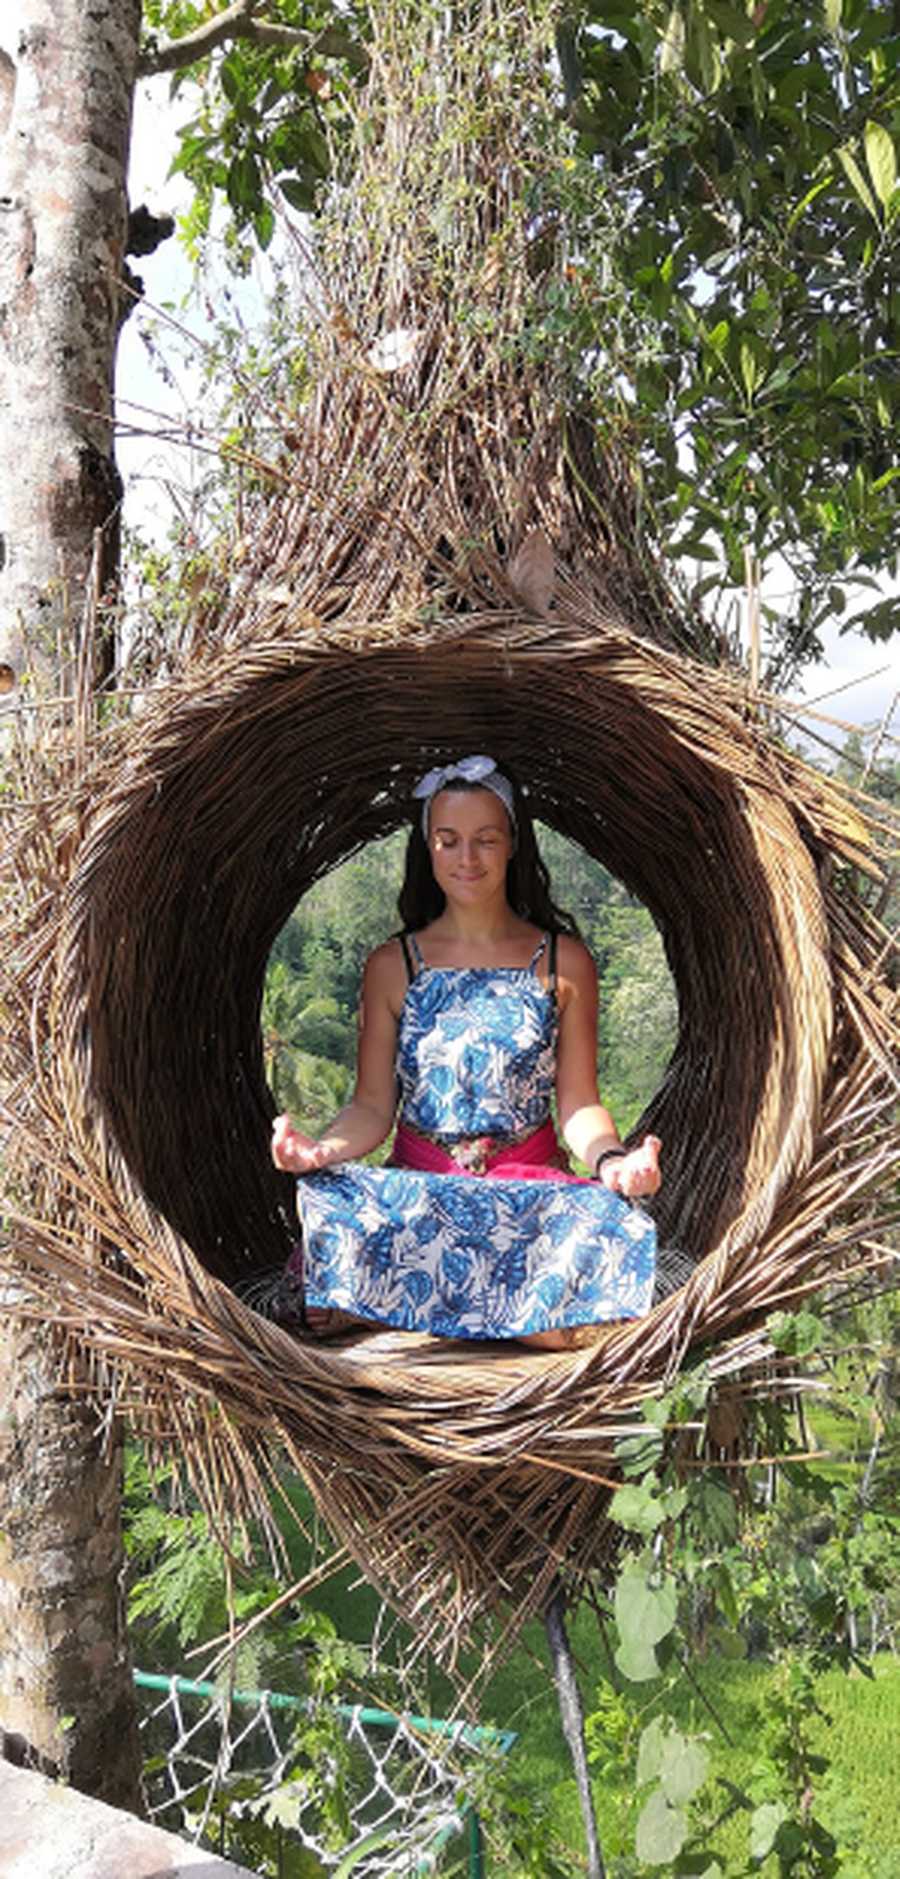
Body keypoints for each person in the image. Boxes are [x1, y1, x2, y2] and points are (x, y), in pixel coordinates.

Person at [271, 755, 662, 1349]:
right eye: (449, 841)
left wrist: (612, 1163)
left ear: (511, 847)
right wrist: (319, 1150)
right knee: (334, 1204)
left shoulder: (565, 962)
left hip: (525, 1193)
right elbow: (372, 1108)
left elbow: (580, 1102)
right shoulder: (391, 965)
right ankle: (522, 1318)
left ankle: (400, 1305)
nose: (467, 859)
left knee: (612, 1225)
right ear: (428, 848)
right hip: (419, 1192)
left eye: (485, 840)